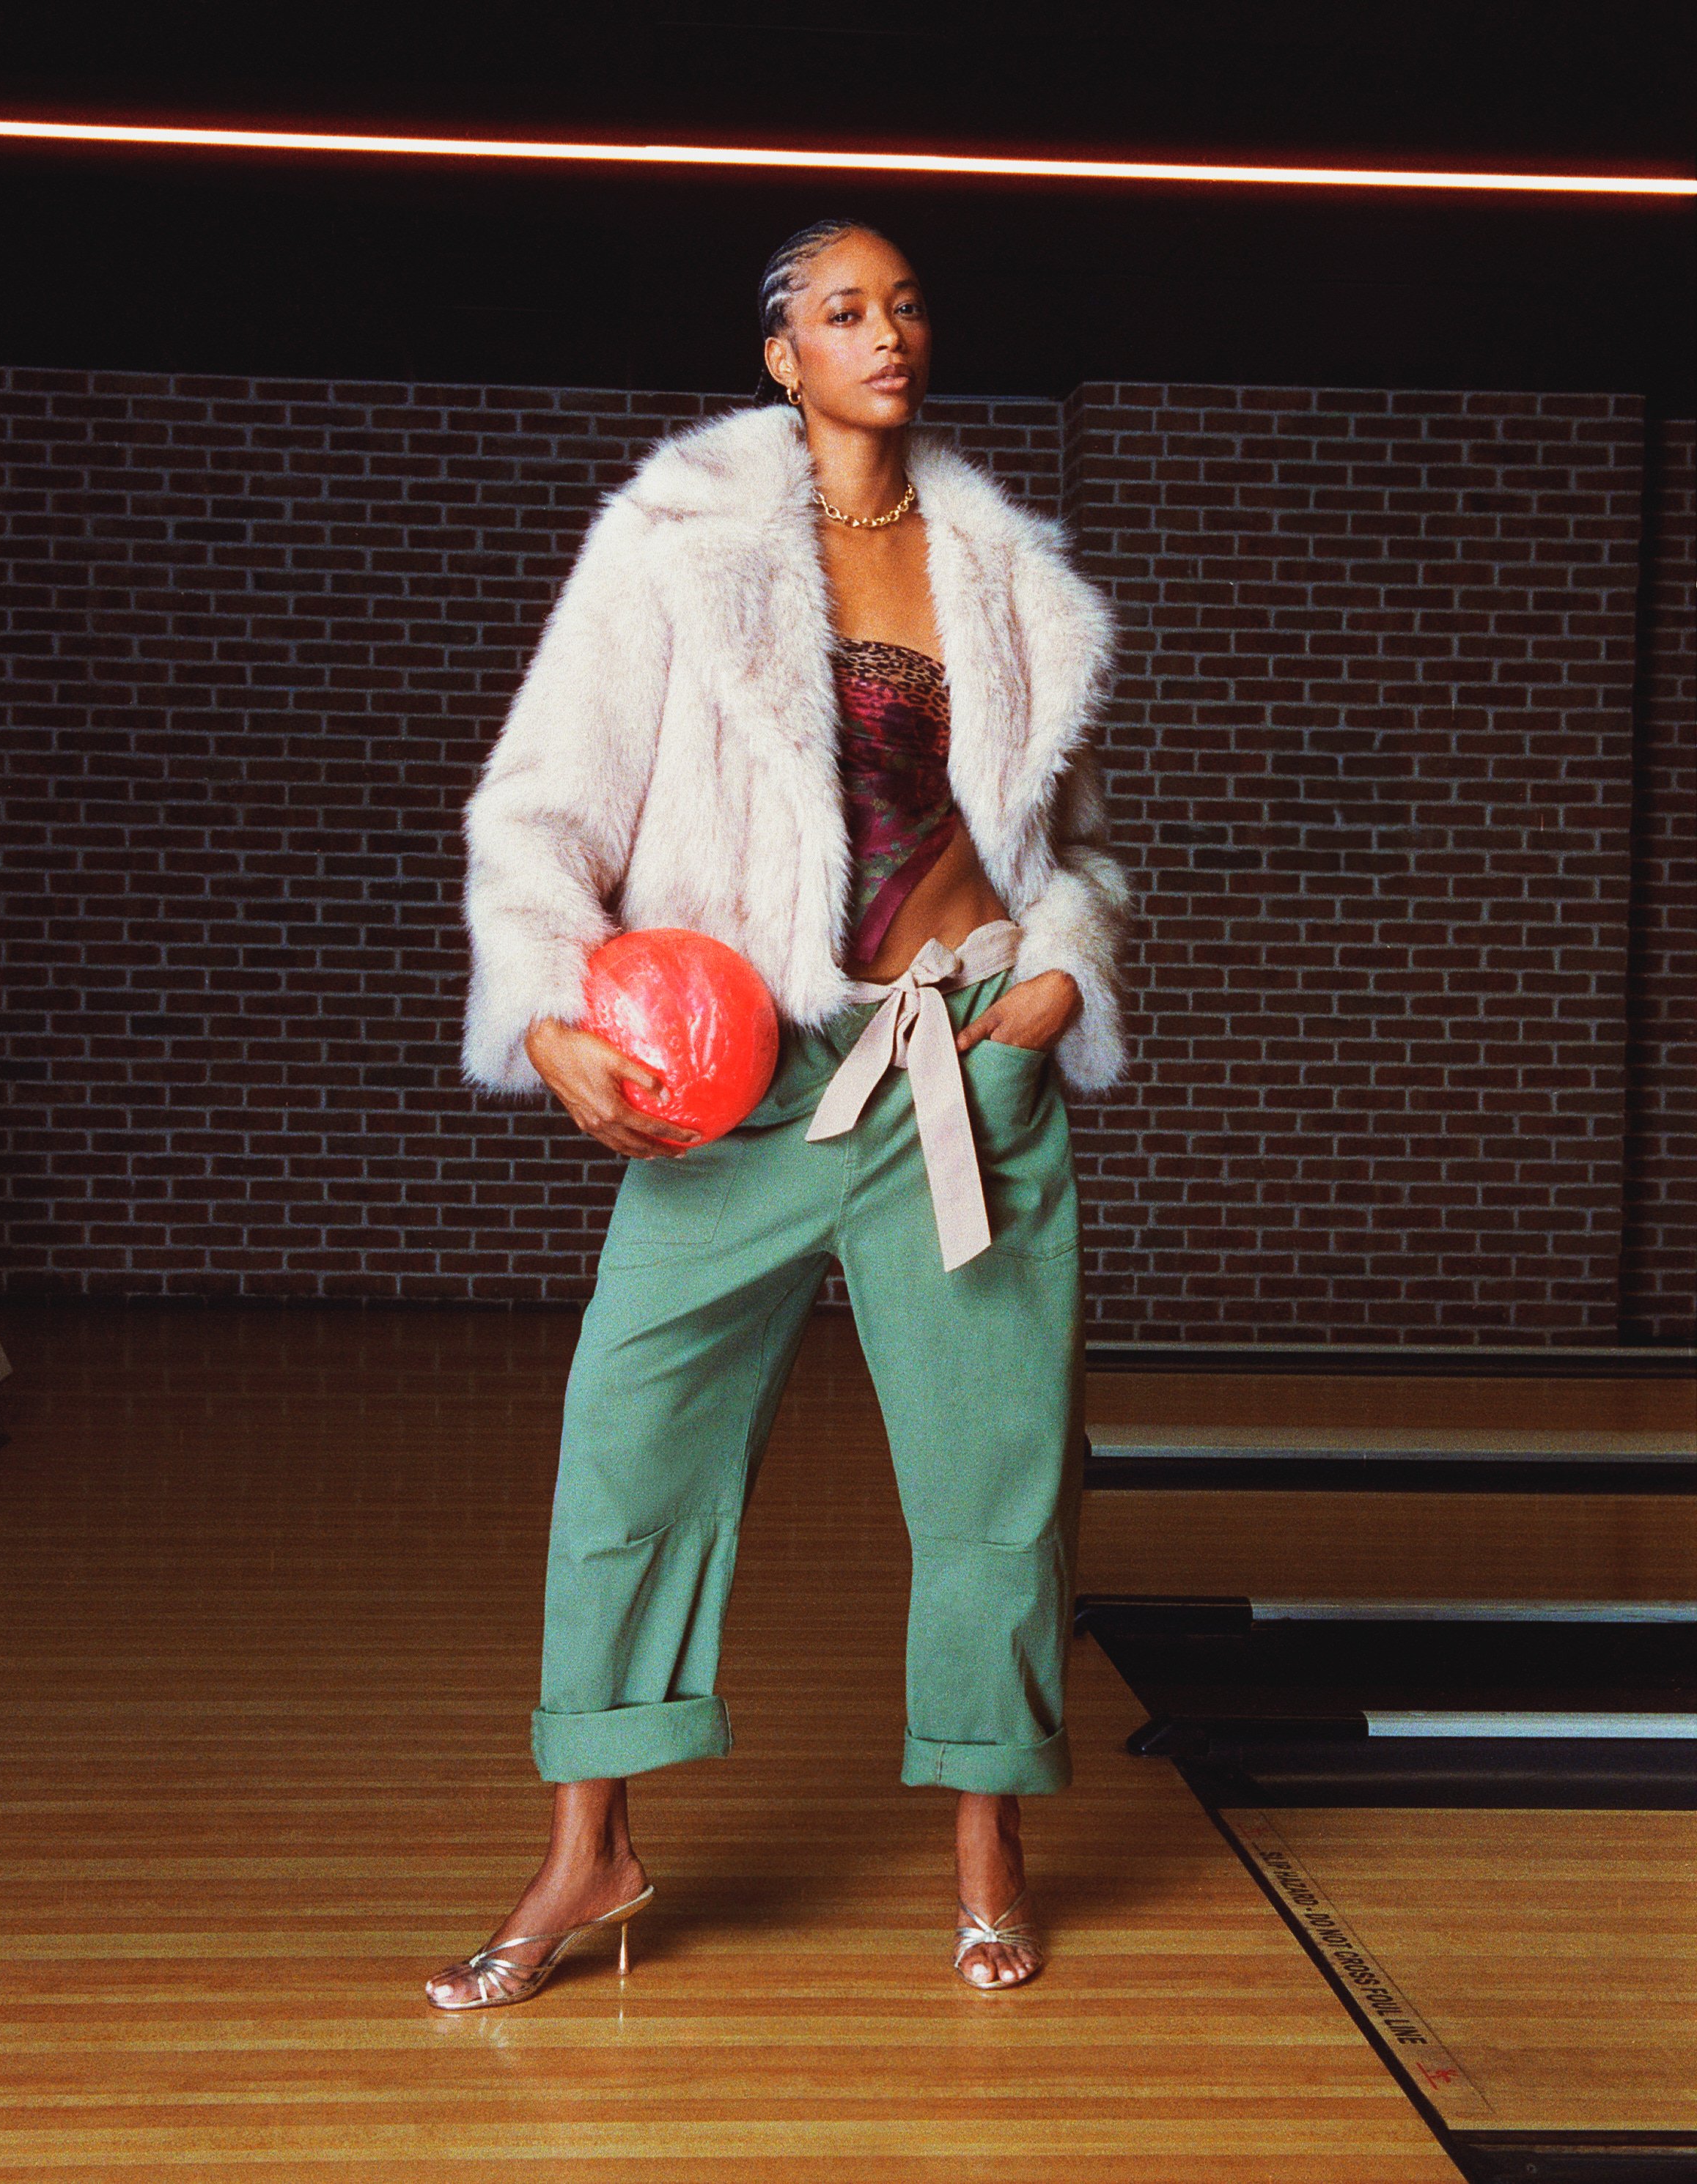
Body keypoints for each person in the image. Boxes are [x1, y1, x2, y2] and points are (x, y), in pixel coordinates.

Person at [429, 218, 1128, 2009]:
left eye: (905, 305)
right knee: (629, 1442)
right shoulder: (677, 543)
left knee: (996, 1479)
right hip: (745, 1082)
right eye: (842, 309)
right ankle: (589, 1845)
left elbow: (1067, 850)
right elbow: (539, 809)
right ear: (778, 353)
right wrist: (549, 1005)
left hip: (959, 1066)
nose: (885, 334)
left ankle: (986, 1839)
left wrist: (1057, 980)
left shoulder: (1008, 575)